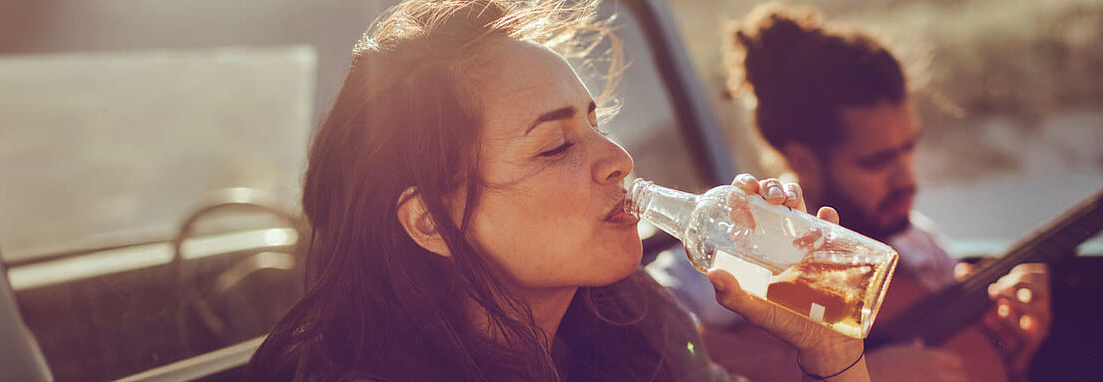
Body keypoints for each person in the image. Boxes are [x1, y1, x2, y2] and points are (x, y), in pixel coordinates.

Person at [248, 1, 875, 380]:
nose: (619, 160)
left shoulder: (634, 320)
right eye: (555, 146)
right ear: (431, 223)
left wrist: (827, 351)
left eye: (595, 124)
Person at [646, 3, 1052, 382]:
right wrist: (837, 365)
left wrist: (1015, 341)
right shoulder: (740, 244)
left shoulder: (920, 247)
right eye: (875, 162)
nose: (906, 178)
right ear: (804, 161)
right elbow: (651, 327)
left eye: (909, 148)